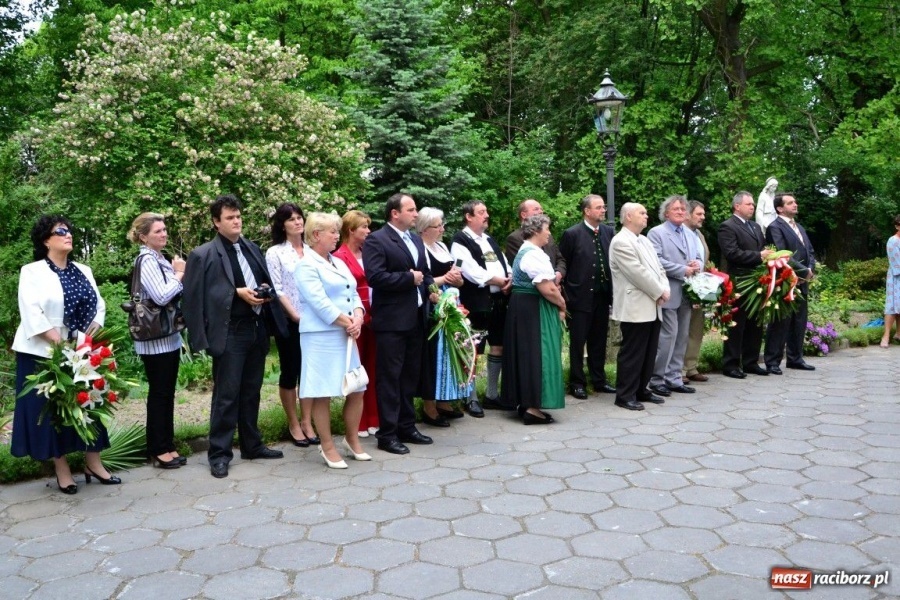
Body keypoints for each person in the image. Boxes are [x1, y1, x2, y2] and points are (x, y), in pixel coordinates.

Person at [11, 215, 120, 493]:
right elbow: (31, 311)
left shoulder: (83, 269)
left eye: (69, 230)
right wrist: (59, 343)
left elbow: (99, 306)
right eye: (61, 231)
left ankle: (94, 463)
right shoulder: (32, 271)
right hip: (43, 352)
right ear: (46, 240)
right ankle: (62, 470)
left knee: (89, 405)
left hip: (81, 348)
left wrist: (85, 340)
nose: (68, 234)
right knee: (53, 413)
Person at [182, 194, 287, 479]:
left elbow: (264, 281)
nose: (236, 221)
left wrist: (262, 290)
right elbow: (193, 299)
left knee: (252, 391)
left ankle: (252, 445)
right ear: (216, 223)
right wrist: (236, 293)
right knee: (226, 396)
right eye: (229, 217)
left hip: (256, 329)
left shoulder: (252, 248)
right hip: (230, 332)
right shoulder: (202, 255)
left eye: (238, 216)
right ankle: (219, 454)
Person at [363, 193, 438, 455]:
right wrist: (409, 278)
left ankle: (407, 426)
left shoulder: (416, 239)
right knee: (390, 378)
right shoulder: (377, 239)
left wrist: (430, 288)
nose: (416, 214)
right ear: (395, 213)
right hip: (392, 322)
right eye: (411, 209)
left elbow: (424, 273)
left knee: (409, 376)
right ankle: (387, 433)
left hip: (415, 318)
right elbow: (375, 277)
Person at [294, 212, 369, 469]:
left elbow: (354, 293)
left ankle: (351, 440)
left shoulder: (337, 261)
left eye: (338, 231)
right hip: (321, 336)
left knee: (357, 388)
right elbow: (319, 303)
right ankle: (327, 446)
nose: (338, 236)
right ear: (316, 235)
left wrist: (358, 317)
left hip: (346, 333)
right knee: (323, 392)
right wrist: (347, 322)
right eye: (333, 232)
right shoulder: (306, 264)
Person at [128, 213, 187, 469]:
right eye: (157, 231)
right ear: (143, 236)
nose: (163, 234)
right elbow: (162, 296)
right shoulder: (147, 260)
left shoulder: (158, 258)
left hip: (167, 337)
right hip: (156, 339)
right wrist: (179, 274)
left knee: (166, 392)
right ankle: (158, 448)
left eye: (164, 230)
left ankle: (167, 444)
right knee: (160, 392)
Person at [501, 215, 567, 424]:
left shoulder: (526, 250)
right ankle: (531, 406)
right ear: (537, 230)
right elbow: (546, 288)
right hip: (532, 309)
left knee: (526, 353)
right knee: (536, 354)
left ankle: (527, 404)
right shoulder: (533, 254)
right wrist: (562, 304)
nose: (549, 233)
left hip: (523, 308)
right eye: (547, 229)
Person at [265, 203, 319, 448]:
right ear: (282, 224)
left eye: (300, 218)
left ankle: (307, 421)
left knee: (310, 373)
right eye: (291, 219)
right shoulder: (275, 252)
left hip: (316, 319)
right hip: (291, 321)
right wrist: (296, 316)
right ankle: (293, 423)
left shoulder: (312, 251)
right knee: (291, 372)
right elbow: (277, 289)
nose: (297, 222)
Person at [450, 201, 512, 415]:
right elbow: (470, 271)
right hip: (476, 303)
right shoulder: (460, 241)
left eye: (486, 211)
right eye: (481, 212)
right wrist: (499, 280)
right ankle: (471, 396)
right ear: (469, 216)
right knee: (473, 351)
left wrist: (509, 278)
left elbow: (504, 263)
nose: (486, 215)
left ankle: (492, 395)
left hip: (498, 302)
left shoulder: (489, 240)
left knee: (498, 346)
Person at [608, 203, 670, 411]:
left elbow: (659, 268)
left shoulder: (643, 240)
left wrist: (665, 288)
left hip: (653, 303)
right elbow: (636, 273)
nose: (646, 216)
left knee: (649, 351)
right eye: (641, 213)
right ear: (628, 216)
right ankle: (624, 395)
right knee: (633, 352)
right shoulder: (620, 242)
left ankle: (641, 389)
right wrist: (659, 291)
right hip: (635, 305)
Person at [558, 194, 616, 399]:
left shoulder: (609, 232)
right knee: (578, 341)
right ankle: (577, 382)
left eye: (604, 207)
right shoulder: (572, 234)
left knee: (599, 340)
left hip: (602, 296)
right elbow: (563, 262)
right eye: (599, 207)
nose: (603, 210)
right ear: (587, 211)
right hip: (579, 297)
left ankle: (599, 380)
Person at [415, 207, 468, 427]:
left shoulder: (442, 246)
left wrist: (457, 280)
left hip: (450, 301)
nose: (442, 229)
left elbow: (455, 277)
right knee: (433, 354)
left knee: (448, 354)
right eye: (438, 226)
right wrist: (445, 278)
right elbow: (426, 280)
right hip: (433, 305)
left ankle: (444, 400)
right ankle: (429, 406)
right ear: (425, 228)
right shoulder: (421, 248)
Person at [647, 195, 703, 397]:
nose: (681, 212)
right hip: (668, 291)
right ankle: (656, 379)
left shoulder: (689, 234)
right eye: (676, 209)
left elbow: (698, 257)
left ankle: (674, 377)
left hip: (687, 292)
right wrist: (682, 270)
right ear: (666, 212)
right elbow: (656, 261)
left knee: (682, 337)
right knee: (667, 337)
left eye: (683, 209)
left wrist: (697, 265)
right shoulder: (656, 233)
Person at [333, 210, 380, 437]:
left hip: (375, 315)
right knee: (356, 370)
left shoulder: (368, 252)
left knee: (372, 368)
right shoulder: (339, 256)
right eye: (364, 227)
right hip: (354, 318)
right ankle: (358, 422)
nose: (368, 231)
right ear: (351, 230)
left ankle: (374, 417)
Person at [718, 190, 774, 379]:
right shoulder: (727, 226)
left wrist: (767, 254)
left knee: (755, 323)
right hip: (740, 281)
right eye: (749, 204)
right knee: (737, 324)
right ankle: (731, 364)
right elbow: (732, 253)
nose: (752, 207)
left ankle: (751, 362)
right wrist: (758, 256)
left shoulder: (755, 227)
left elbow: (762, 249)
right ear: (737, 206)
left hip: (757, 280)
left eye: (752, 204)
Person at [763, 193, 817, 372]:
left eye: (795, 201)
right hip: (784, 281)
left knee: (799, 320)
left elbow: (809, 250)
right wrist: (803, 270)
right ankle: (772, 361)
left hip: (802, 282)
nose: (795, 204)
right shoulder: (775, 227)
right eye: (790, 202)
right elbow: (781, 253)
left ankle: (795, 358)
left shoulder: (799, 227)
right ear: (780, 208)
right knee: (781, 322)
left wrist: (810, 268)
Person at [682, 200, 711, 383]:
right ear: (688, 214)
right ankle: (679, 369)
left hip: (699, 287)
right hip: (682, 286)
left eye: (703, 214)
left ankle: (691, 366)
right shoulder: (679, 233)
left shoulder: (699, 234)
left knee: (696, 328)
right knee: (682, 329)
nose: (703, 217)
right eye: (699, 214)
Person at [504, 199, 566, 284]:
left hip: (556, 286)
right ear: (523, 215)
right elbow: (525, 272)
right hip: (534, 291)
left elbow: (560, 259)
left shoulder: (548, 235)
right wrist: (550, 283)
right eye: (536, 209)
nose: (541, 211)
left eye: (541, 209)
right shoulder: (514, 238)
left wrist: (559, 273)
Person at [881, 215, 900, 348]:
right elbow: (896, 263)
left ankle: (898, 334)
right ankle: (886, 336)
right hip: (896, 277)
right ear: (897, 226)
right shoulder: (893, 241)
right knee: (892, 306)